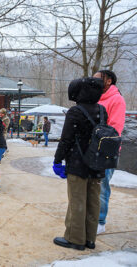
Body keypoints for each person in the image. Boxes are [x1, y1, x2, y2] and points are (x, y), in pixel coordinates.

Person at [53, 77, 108, 251]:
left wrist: (57, 161)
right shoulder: (102, 110)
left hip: (78, 163)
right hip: (97, 163)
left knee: (77, 201)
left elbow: (66, 140)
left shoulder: (75, 111)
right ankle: (90, 239)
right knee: (93, 201)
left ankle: (75, 239)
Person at [92, 70, 126, 235]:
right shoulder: (95, 98)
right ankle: (91, 217)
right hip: (91, 150)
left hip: (107, 151)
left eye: (98, 78)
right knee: (92, 186)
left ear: (108, 80)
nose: (94, 81)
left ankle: (100, 221)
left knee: (102, 186)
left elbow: (115, 128)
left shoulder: (117, 99)